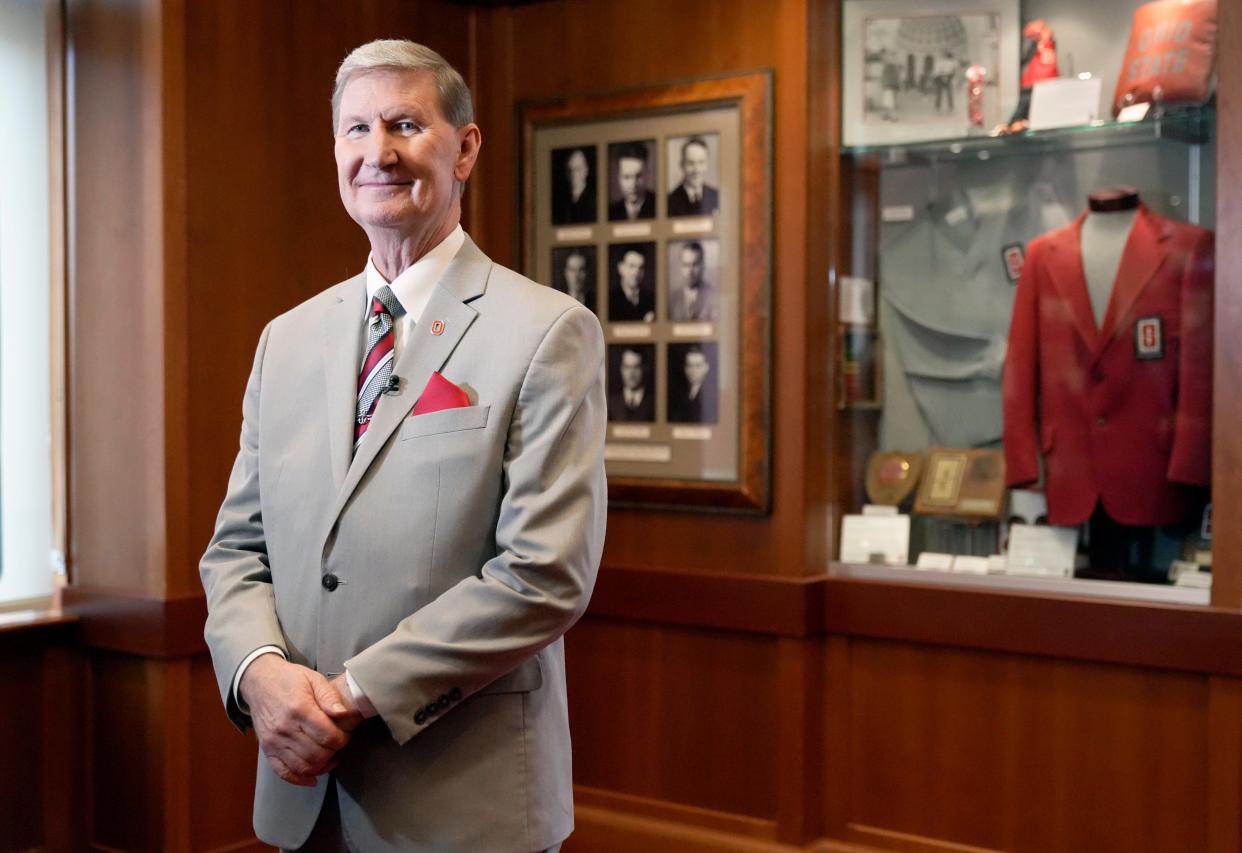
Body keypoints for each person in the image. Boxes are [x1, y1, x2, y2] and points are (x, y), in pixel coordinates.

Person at [198, 39, 606, 853]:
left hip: (465, 810)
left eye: (405, 124)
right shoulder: (287, 338)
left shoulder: (549, 332)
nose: (375, 153)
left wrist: (352, 695)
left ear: (466, 147)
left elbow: (545, 573)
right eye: (355, 130)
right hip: (300, 795)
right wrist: (262, 678)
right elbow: (237, 549)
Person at [666, 137, 719, 217]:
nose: (696, 170)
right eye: (691, 163)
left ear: (707, 164)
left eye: (701, 163)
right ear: (682, 165)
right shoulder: (669, 202)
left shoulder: (716, 197)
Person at [668, 241, 718, 322]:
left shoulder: (713, 297)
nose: (690, 271)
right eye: (686, 265)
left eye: (695, 264)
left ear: (702, 265)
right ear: (681, 267)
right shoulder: (673, 299)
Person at [668, 345, 718, 423]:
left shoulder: (712, 395)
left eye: (698, 366)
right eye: (689, 365)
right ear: (685, 369)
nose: (693, 370)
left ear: (706, 368)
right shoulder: (679, 394)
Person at [606, 142, 655, 221]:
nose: (633, 184)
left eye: (638, 176)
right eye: (627, 177)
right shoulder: (611, 213)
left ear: (647, 174)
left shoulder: (660, 206)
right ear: (618, 178)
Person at [608, 245, 656, 323]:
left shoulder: (652, 299)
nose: (636, 272)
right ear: (620, 268)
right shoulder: (609, 300)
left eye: (641, 267)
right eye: (632, 266)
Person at [608, 346, 656, 422]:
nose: (631, 374)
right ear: (621, 369)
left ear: (644, 369)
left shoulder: (654, 403)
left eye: (636, 367)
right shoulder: (610, 404)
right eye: (627, 367)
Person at [552, 146, 595, 224]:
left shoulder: (594, 202)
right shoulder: (560, 202)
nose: (573, 174)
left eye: (578, 169)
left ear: (586, 170)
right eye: (569, 170)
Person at [556, 246, 595, 311]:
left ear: (587, 273)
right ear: (566, 272)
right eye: (572, 270)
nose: (576, 276)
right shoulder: (557, 303)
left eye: (581, 270)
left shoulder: (595, 301)